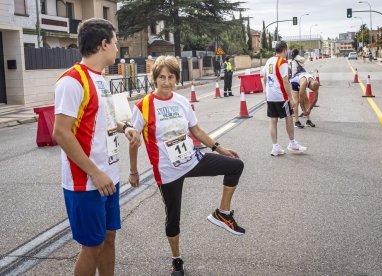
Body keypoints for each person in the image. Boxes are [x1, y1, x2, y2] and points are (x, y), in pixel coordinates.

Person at [129, 55, 245, 276]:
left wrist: (220, 148)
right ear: (154, 79)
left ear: (176, 79)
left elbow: (196, 130)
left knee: (235, 165)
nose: (166, 82)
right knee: (173, 218)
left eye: (171, 77)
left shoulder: (182, 102)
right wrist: (133, 171)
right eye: (161, 77)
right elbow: (134, 141)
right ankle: (176, 260)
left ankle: (223, 213)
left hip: (191, 160)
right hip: (168, 171)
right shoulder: (143, 106)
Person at [53, 18, 140, 276]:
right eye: (115, 43)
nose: (117, 48)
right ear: (104, 44)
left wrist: (126, 128)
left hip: (109, 176)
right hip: (87, 181)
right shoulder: (72, 81)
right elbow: (60, 132)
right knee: (91, 247)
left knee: (109, 238)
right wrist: (94, 172)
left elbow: (106, 119)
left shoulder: (101, 79)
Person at [263, 41, 307, 156]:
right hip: (280, 96)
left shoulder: (268, 61)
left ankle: (275, 147)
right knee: (288, 117)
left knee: (273, 120)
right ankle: (292, 143)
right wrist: (291, 98)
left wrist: (267, 92)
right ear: (285, 50)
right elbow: (285, 81)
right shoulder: (282, 62)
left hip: (270, 95)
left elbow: (265, 78)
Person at [288, 49, 307, 128]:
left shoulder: (291, 61)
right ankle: (307, 119)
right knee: (304, 99)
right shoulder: (302, 60)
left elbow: (290, 72)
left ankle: (296, 121)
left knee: (295, 101)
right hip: (302, 80)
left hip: (294, 81)